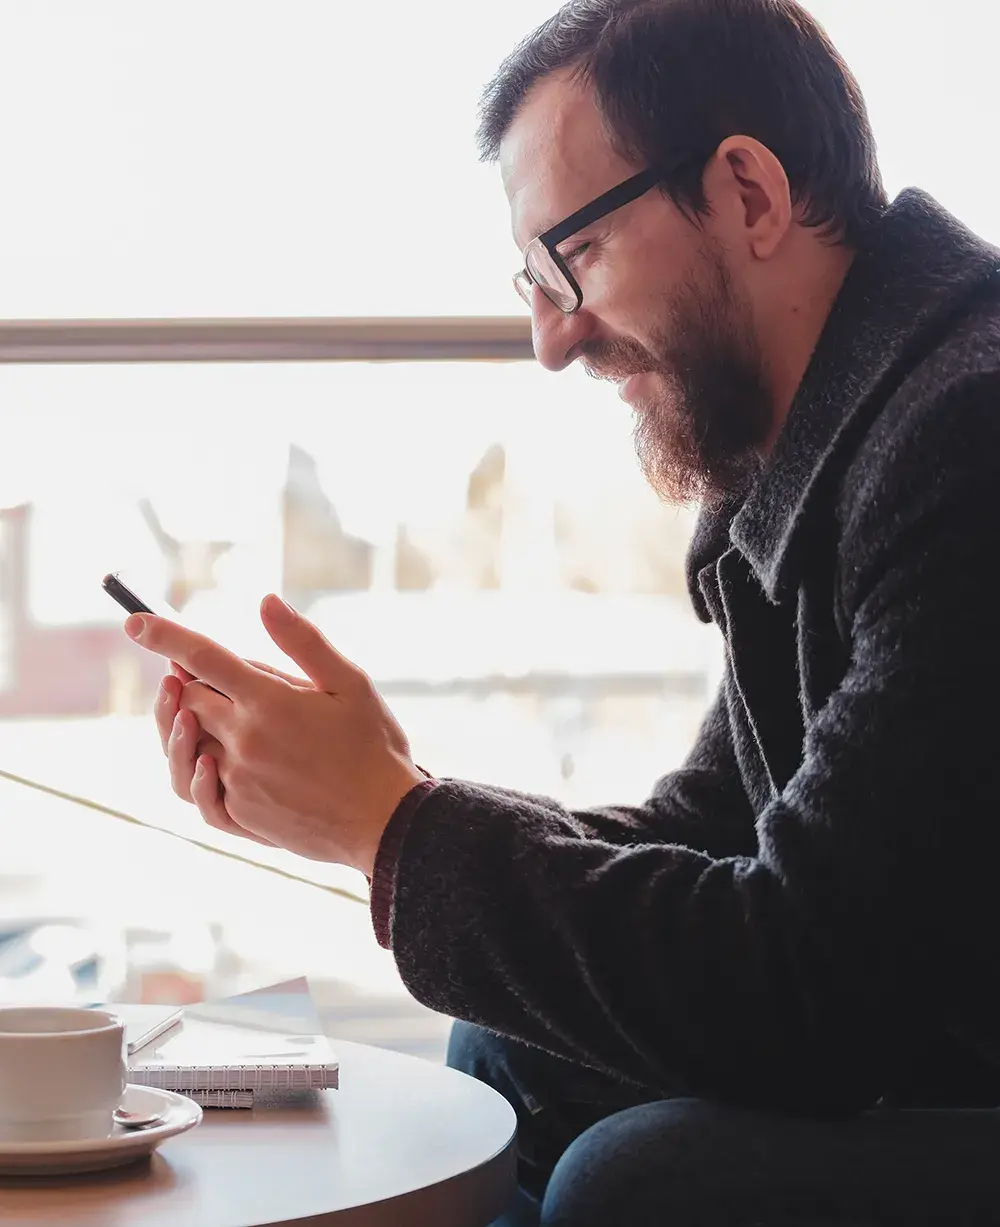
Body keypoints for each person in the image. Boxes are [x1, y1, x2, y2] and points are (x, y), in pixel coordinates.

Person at [124, 0, 1000, 1221]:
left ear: (747, 193)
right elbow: (715, 837)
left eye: (570, 257)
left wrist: (392, 829)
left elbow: (815, 988)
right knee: (513, 1050)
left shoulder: (963, 438)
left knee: (634, 1185)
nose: (550, 337)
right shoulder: (830, 442)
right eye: (532, 279)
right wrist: (387, 797)